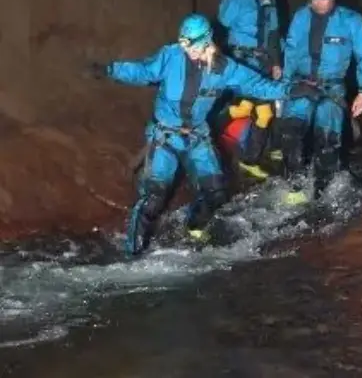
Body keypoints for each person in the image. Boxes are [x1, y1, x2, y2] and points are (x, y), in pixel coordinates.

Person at [87, 13, 318, 256]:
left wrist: (293, 90)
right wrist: (109, 69)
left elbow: (257, 85)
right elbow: (141, 70)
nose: (188, 49)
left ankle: (193, 225)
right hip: (165, 136)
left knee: (216, 192)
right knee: (153, 197)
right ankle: (132, 254)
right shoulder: (170, 56)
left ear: (207, 40)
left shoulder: (224, 68)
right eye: (184, 43)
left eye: (193, 44)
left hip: (197, 137)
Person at [279, 0, 362, 203]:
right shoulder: (301, 17)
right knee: (290, 134)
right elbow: (291, 52)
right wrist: (283, 88)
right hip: (301, 84)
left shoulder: (351, 21)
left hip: (331, 88)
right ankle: (295, 188)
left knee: (327, 142)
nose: (317, 3)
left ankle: (322, 194)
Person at [217, 0, 285, 180]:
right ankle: (209, 129)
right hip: (241, 60)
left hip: (262, 62)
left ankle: (248, 158)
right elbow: (221, 24)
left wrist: (276, 62)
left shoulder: (270, 2)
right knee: (253, 110)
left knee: (256, 110)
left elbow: (273, 35)